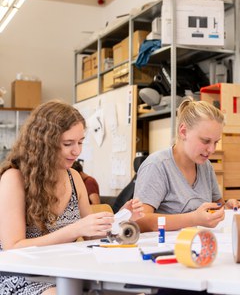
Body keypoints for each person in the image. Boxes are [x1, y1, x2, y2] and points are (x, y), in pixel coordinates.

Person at [0, 100, 144, 295]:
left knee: (127, 291)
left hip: (64, 270)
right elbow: (13, 247)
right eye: (68, 144)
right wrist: (74, 229)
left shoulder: (73, 177)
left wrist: (121, 220)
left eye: (80, 142)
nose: (77, 151)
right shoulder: (14, 179)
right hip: (21, 276)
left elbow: (91, 234)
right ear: (44, 143)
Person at [134, 98, 240, 232]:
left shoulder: (206, 166)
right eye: (205, 141)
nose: (211, 149)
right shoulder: (157, 166)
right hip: (168, 247)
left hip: (201, 243)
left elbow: (216, 207)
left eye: (216, 142)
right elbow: (140, 220)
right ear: (183, 132)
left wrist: (227, 209)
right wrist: (194, 219)